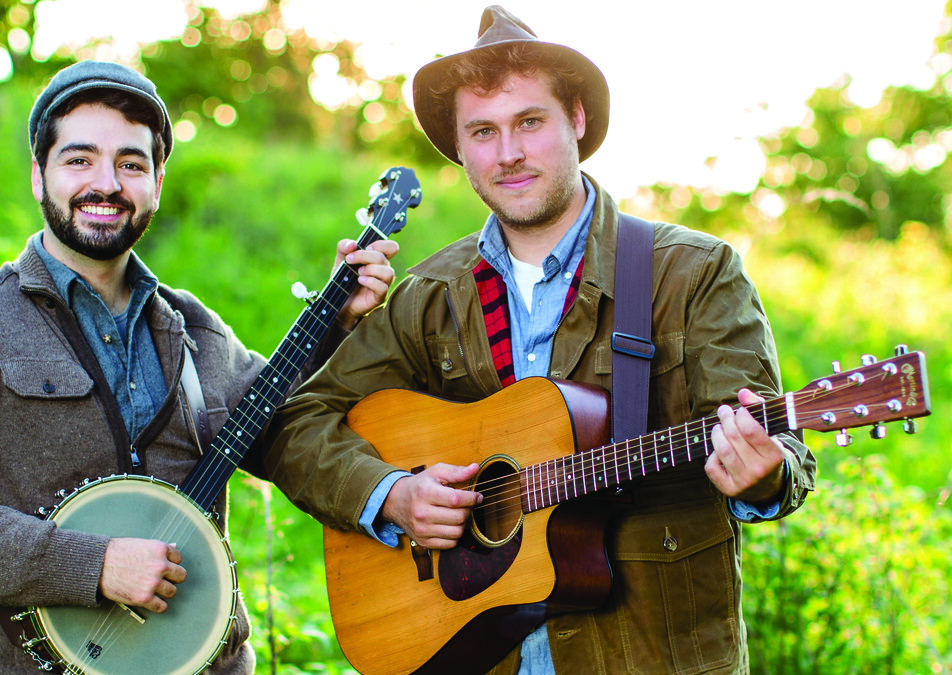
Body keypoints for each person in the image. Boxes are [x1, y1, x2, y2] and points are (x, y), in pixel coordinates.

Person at [263, 6, 816, 675]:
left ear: (576, 120)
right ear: (461, 150)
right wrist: (393, 495)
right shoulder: (430, 293)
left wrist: (763, 475)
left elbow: (780, 454)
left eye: (530, 122)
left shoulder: (693, 273)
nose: (509, 153)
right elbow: (295, 423)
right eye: (483, 131)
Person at [0, 60, 398, 674]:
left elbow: (284, 431)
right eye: (79, 160)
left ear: (157, 181)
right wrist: (92, 565)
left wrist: (336, 322)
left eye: (130, 163)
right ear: (39, 177)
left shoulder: (193, 326)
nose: (107, 183)